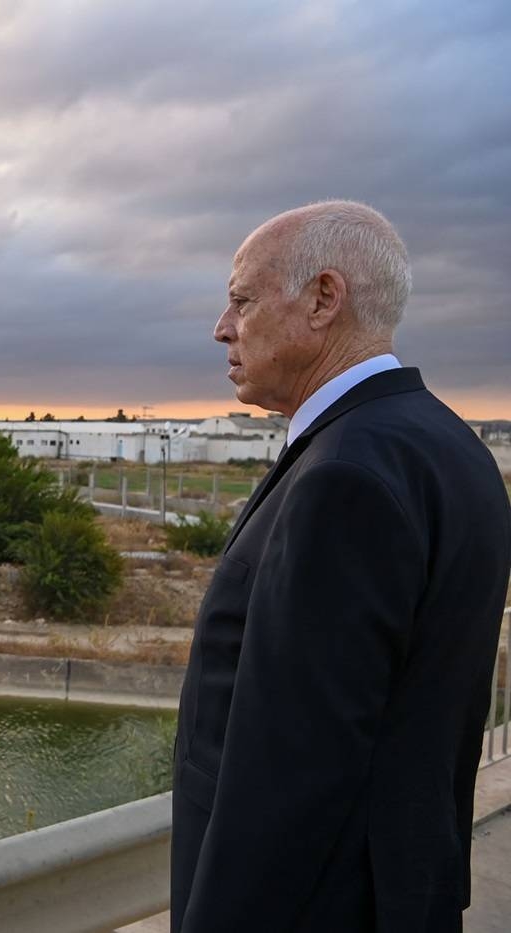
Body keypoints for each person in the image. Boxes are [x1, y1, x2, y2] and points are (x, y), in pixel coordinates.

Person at [171, 201, 511, 932]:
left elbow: (290, 776)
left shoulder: (342, 475)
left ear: (324, 298)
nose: (222, 328)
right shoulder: (451, 446)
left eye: (241, 300)